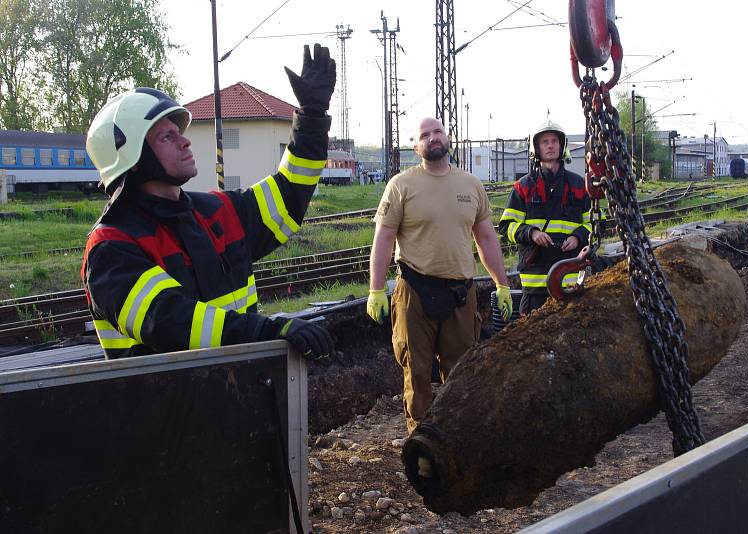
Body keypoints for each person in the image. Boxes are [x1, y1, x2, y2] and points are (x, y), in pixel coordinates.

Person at [82, 44, 336, 360]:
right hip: (166, 408)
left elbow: (289, 194)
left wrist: (312, 116)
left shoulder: (218, 212)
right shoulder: (112, 247)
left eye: (179, 132)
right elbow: (168, 321)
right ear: (133, 159)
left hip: (237, 395)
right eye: (166, 137)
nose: (185, 140)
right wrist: (264, 330)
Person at [366, 116, 513, 436]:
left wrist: (502, 283)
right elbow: (383, 239)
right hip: (414, 291)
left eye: (437, 132)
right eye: (424, 135)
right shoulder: (401, 186)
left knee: (460, 369)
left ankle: (456, 437)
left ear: (447, 137)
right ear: (415, 146)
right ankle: (419, 440)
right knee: (416, 372)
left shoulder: (471, 185)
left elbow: (486, 238)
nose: (432, 138)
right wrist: (376, 288)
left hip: (460, 292)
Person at [499, 119, 591, 315]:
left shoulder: (578, 186)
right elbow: (507, 226)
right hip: (534, 285)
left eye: (554, 141)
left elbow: (593, 223)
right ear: (537, 149)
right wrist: (531, 233)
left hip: (568, 281)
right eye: (545, 142)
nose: (550, 145)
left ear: (562, 146)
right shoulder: (523, 187)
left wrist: (577, 237)